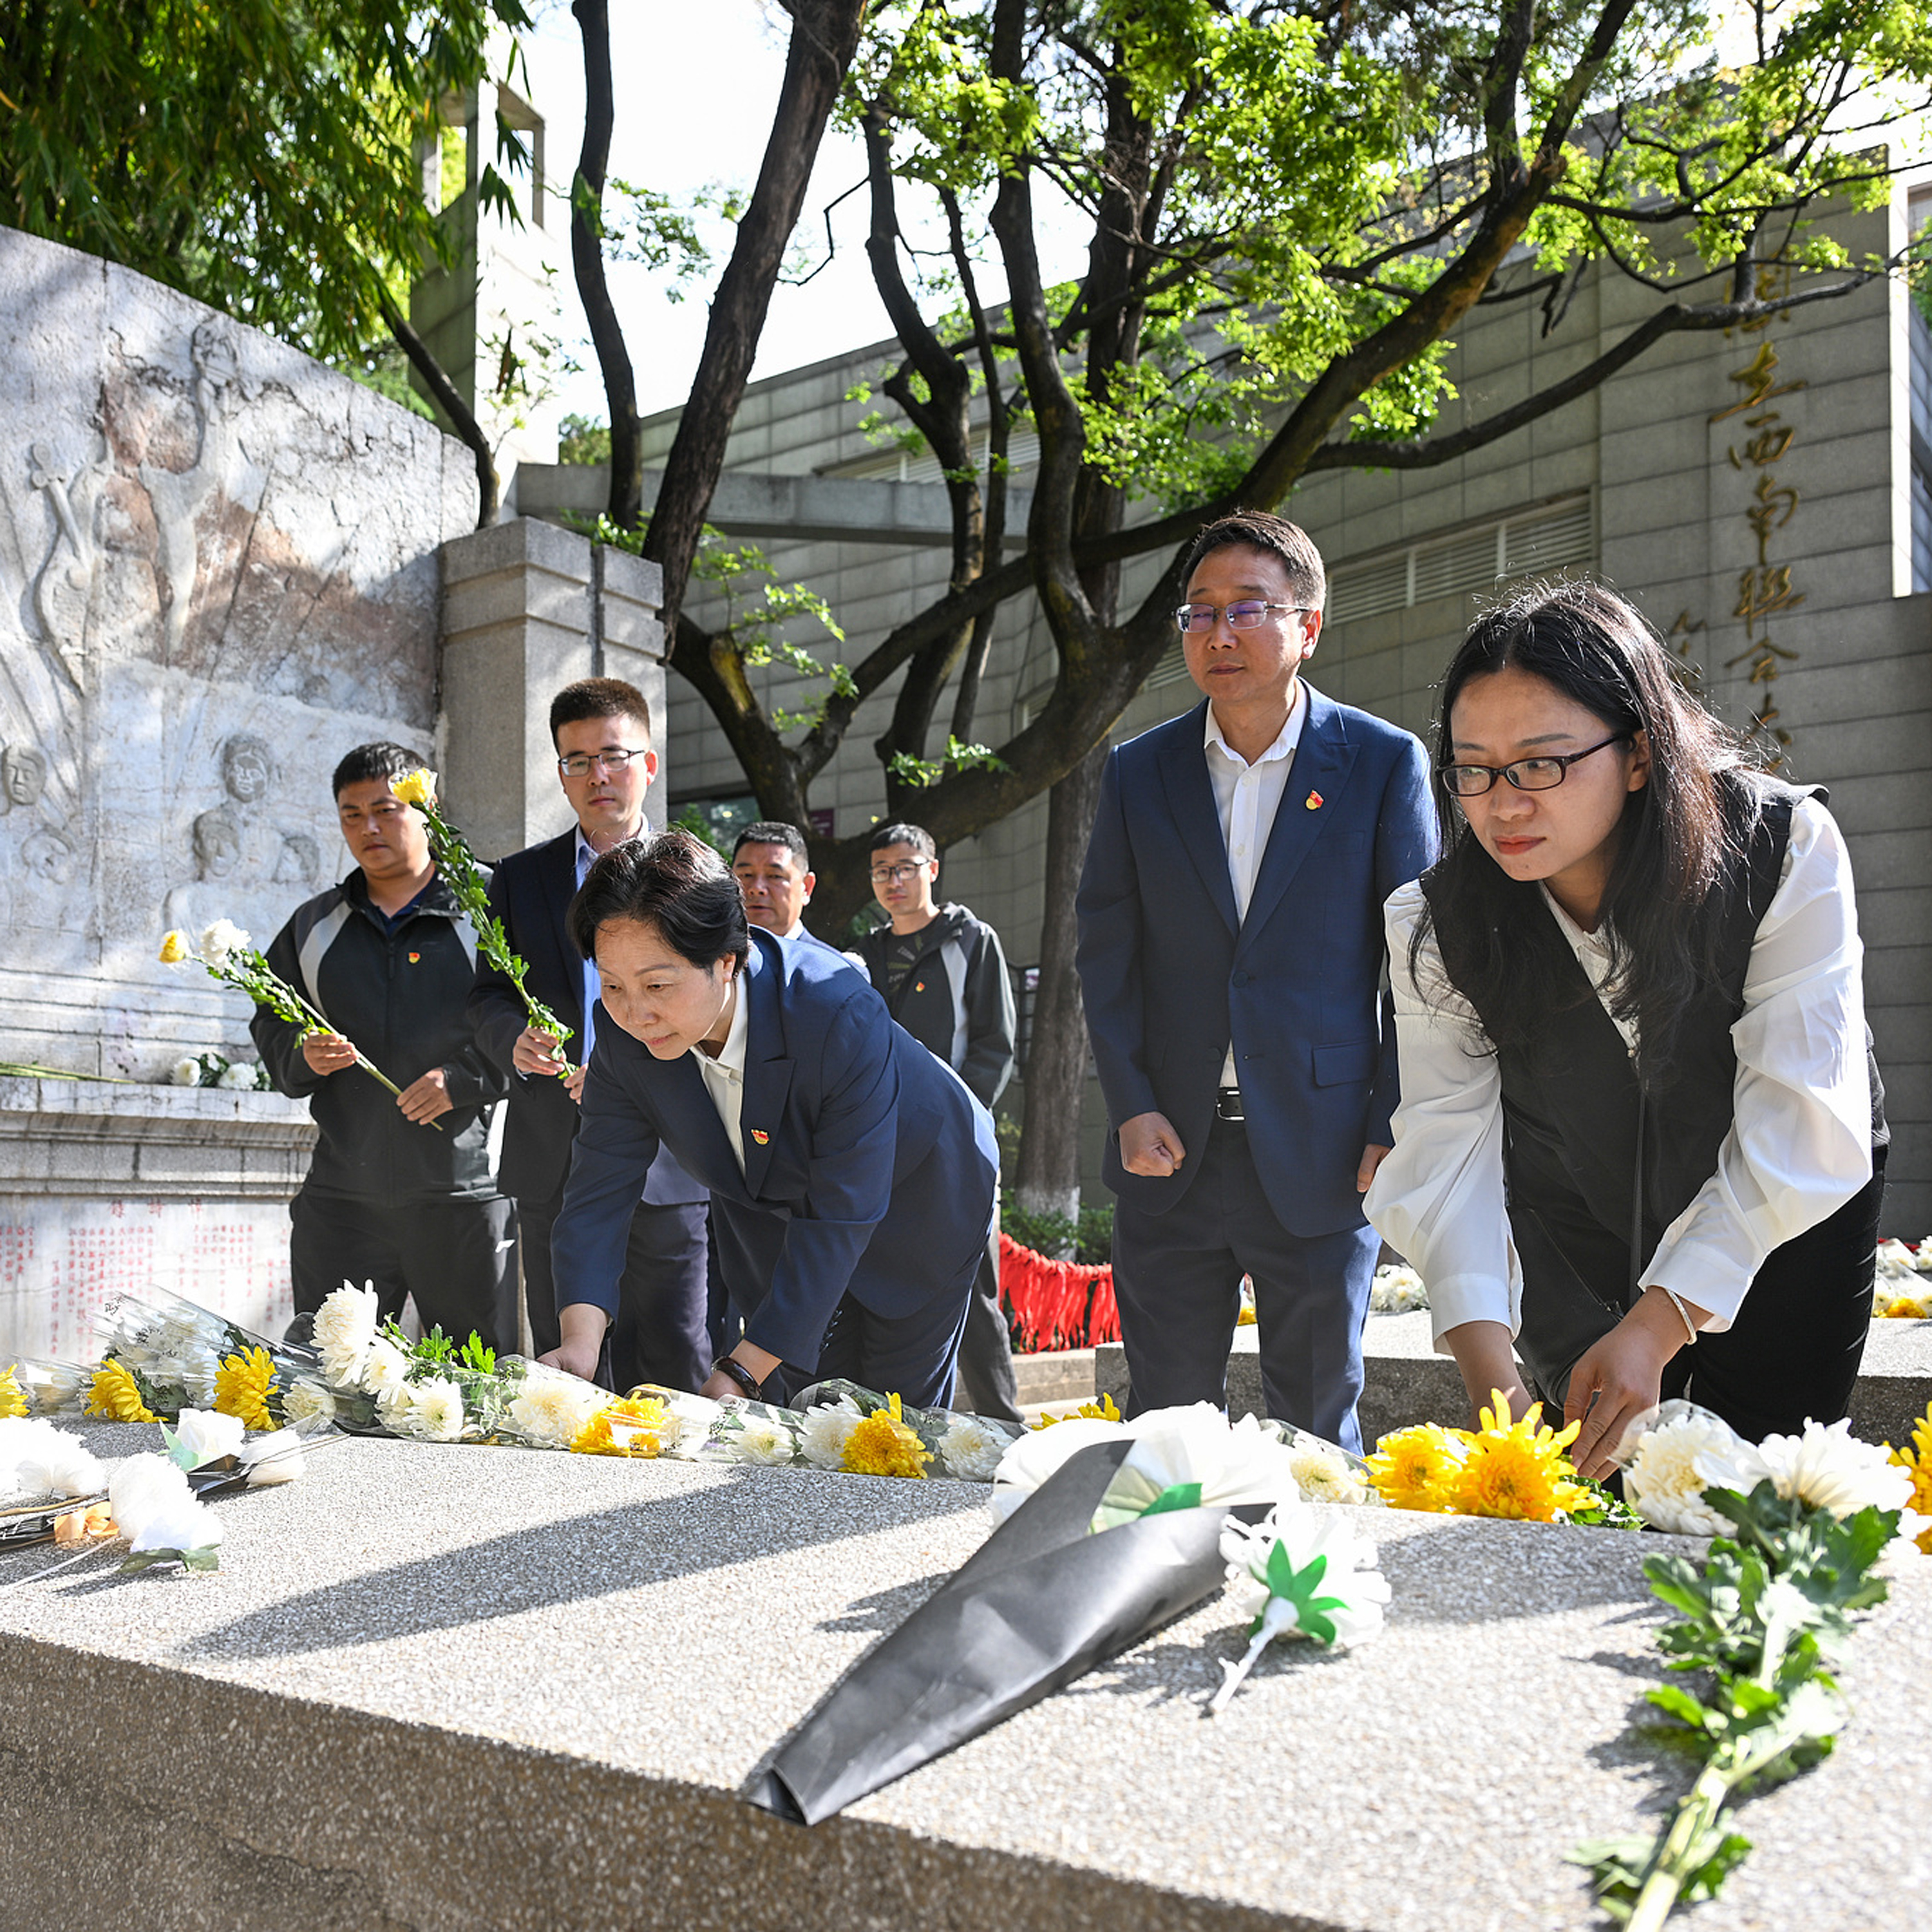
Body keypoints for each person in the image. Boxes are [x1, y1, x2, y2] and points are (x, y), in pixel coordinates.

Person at [1366, 581, 1886, 1478]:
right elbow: (1449, 1141)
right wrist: (1494, 1378)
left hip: (1789, 1213)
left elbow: (1796, 1116)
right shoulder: (1435, 920)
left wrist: (1662, 1322)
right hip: (1578, 1230)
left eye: (1540, 764)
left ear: (1639, 754)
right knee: (1599, 1501)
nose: (1502, 805)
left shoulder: (1782, 846)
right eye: (1473, 770)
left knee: (1762, 1500)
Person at [1075, 510, 1435, 1451]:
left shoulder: (1382, 764)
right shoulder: (1138, 773)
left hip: (1321, 1155)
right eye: (1198, 614)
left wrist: (1389, 1122)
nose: (1219, 634)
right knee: (1166, 1428)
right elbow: (1106, 958)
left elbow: (1418, 967)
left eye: (1247, 609)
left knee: (1317, 1423)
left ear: (1308, 626)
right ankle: (1167, 1586)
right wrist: (1129, 1101)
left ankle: (1312, 1597)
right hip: (1169, 1154)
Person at [545, 829, 998, 1409]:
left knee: (891, 1430)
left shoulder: (834, 1009)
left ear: (726, 960)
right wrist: (581, 1344)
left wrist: (741, 1369)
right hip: (777, 1220)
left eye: (657, 985)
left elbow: (842, 1212)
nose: (636, 1013)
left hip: (921, 1200)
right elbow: (598, 1186)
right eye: (612, 985)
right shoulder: (624, 1032)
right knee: (797, 1419)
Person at [467, 677, 710, 1392]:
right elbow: (485, 996)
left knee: (673, 1366)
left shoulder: (698, 877)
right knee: (568, 1376)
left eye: (613, 755)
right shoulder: (518, 879)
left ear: (649, 764)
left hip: (669, 1163)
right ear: (561, 772)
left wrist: (632, 1075)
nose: (598, 775)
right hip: (554, 1161)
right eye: (578, 760)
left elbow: (726, 1014)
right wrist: (512, 1038)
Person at [251, 741, 513, 1347]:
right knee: (329, 1381)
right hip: (344, 1200)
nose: (368, 827)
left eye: (386, 809)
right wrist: (301, 1054)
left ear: (427, 807)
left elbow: (536, 1025)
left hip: (463, 1195)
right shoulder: (315, 925)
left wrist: (466, 1080)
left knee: (473, 1392)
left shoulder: (489, 908)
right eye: (351, 814)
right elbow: (270, 1017)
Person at [857, 821, 1023, 1424]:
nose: (892, 881)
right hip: (879, 1148)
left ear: (933, 868)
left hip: (959, 1150)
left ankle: (1004, 1425)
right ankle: (908, 1428)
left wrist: (958, 1122)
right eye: (881, 871)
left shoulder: (971, 940)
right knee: (888, 1283)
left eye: (904, 867)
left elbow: (995, 1047)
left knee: (972, 1288)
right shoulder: (866, 954)